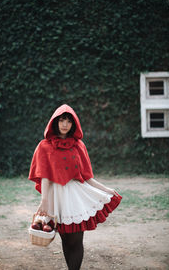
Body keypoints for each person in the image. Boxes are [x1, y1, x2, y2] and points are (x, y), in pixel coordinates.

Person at [28, 104, 122, 270]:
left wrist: (106, 189)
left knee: (76, 240)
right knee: (65, 239)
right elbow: (45, 176)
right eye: (62, 120)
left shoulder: (79, 145)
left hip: (76, 196)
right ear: (55, 122)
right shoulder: (44, 146)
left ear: (74, 124)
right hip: (56, 197)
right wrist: (44, 201)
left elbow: (87, 177)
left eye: (69, 121)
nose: (65, 124)